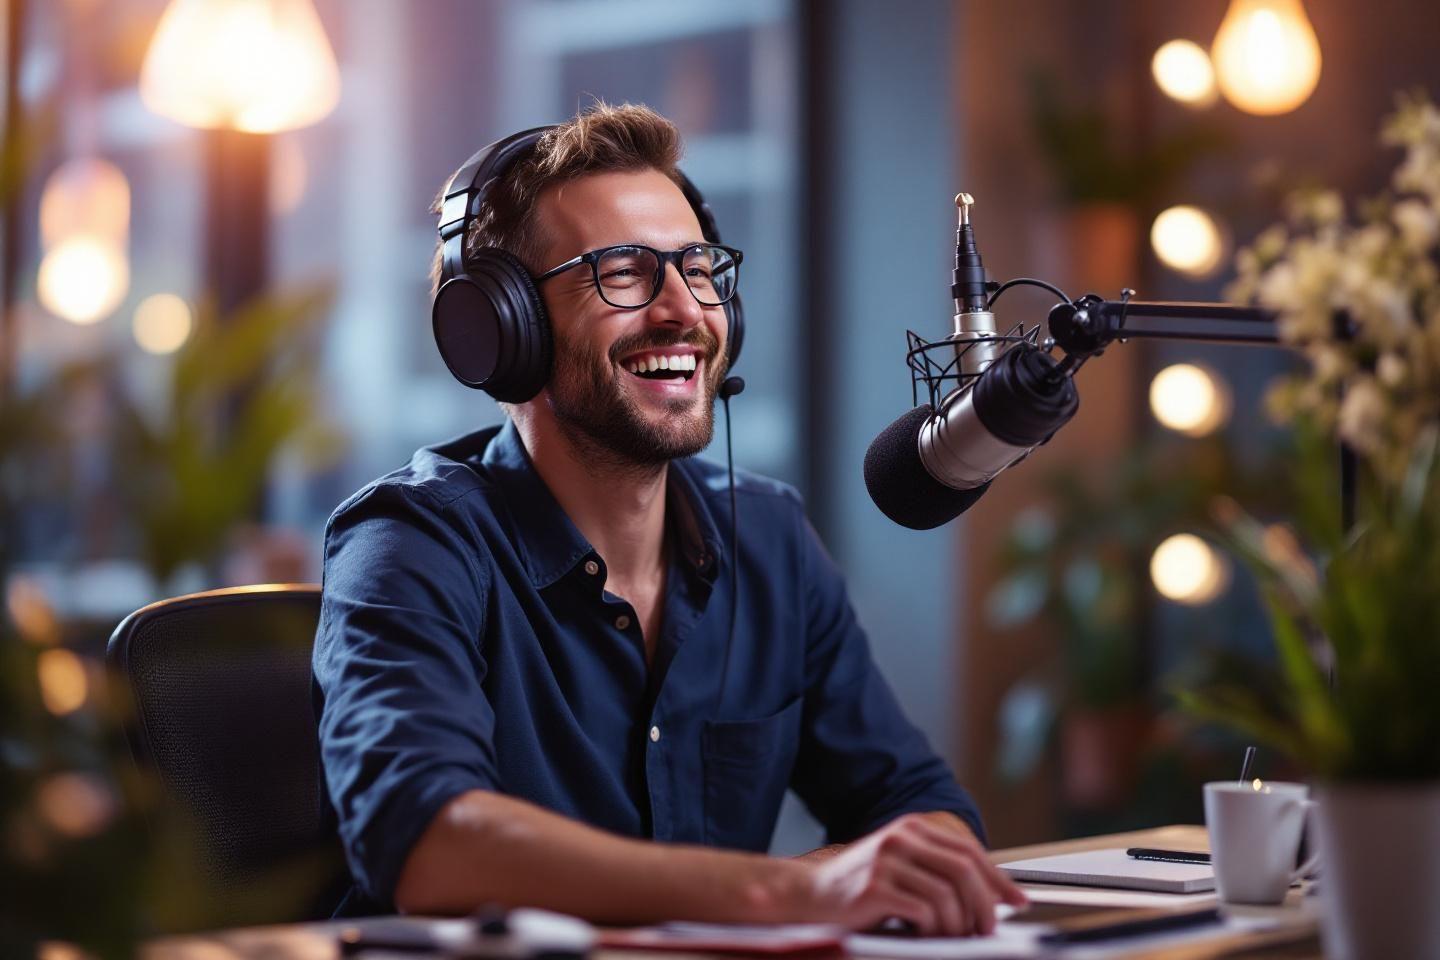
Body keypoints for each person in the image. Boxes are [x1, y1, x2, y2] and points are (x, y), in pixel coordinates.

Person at [312, 102, 1026, 935]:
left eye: (697, 267)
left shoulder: (770, 541)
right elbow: (427, 845)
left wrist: (822, 886)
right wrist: (778, 895)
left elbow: (926, 812)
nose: (685, 310)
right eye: (622, 271)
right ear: (501, 328)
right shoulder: (411, 544)